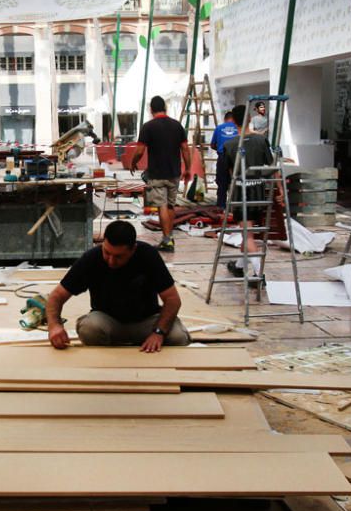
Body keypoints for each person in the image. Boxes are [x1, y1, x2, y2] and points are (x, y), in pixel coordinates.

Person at [46, 220, 190, 352]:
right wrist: (54, 326)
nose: (111, 261)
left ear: (133, 249)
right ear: (103, 242)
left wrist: (158, 333)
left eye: (119, 256)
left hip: (146, 321)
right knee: (89, 329)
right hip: (109, 322)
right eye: (107, 253)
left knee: (178, 337)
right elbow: (56, 296)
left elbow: (172, 300)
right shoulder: (91, 259)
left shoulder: (148, 256)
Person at [128, 96, 192, 252]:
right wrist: (188, 168)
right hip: (174, 173)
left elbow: (140, 150)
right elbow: (185, 149)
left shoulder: (148, 127)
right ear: (165, 108)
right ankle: (169, 238)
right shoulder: (177, 126)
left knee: (162, 206)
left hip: (157, 174)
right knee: (170, 206)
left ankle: (167, 239)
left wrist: (133, 162)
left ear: (151, 110)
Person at [223, 110, 280, 278]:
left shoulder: (230, 145)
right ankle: (240, 266)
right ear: (249, 119)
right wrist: (281, 191)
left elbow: (230, 174)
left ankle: (258, 273)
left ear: (233, 121)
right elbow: (272, 169)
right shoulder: (261, 140)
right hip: (258, 192)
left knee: (248, 236)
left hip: (241, 194)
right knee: (247, 233)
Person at [210, 110, 240, 209]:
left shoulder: (219, 128)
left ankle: (221, 206)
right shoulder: (238, 128)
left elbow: (212, 145)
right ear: (234, 119)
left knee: (222, 183)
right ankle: (236, 206)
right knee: (237, 181)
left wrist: (219, 148)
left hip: (223, 157)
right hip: (236, 157)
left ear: (225, 119)